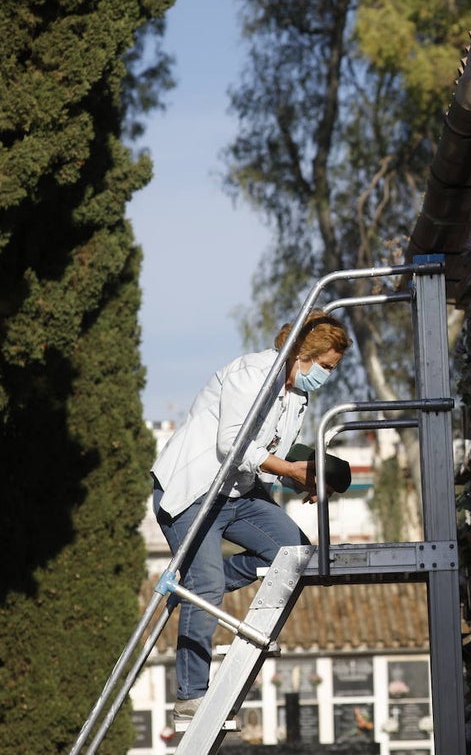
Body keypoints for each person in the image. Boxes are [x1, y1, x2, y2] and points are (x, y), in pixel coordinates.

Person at [150, 309, 352, 721]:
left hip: (237, 494)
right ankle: (190, 697)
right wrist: (290, 470)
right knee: (207, 584)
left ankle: (193, 588)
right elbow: (234, 445)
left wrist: (308, 478)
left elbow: (274, 455)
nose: (327, 377)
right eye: (327, 367)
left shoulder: (297, 397)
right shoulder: (252, 374)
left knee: (294, 555)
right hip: (193, 492)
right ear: (304, 354)